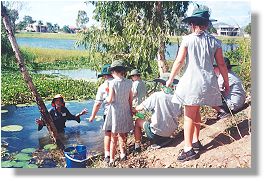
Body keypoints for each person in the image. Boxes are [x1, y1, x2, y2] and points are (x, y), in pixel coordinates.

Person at [166, 5, 229, 162]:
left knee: (189, 115)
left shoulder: (187, 39)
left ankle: (189, 150)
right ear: (207, 25)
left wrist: (170, 78)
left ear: (192, 24)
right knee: (196, 110)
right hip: (208, 83)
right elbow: (221, 65)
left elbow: (180, 61)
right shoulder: (215, 42)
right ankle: (195, 141)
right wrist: (226, 83)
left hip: (192, 82)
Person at [132, 73, 182, 153]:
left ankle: (137, 147)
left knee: (138, 121)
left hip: (156, 134)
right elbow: (179, 114)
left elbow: (140, 107)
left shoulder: (157, 95)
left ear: (161, 84)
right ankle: (164, 139)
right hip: (170, 132)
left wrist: (133, 110)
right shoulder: (176, 98)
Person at [103, 60, 134, 166]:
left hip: (115, 112)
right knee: (123, 134)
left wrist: (106, 96)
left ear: (114, 71)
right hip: (125, 110)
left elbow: (110, 99)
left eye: (112, 72)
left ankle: (111, 159)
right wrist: (130, 110)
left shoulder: (112, 83)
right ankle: (123, 154)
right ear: (123, 71)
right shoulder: (130, 82)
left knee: (113, 137)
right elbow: (130, 99)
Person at [88, 64, 113, 163]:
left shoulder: (102, 87)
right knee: (120, 133)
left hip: (108, 113)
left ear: (105, 76)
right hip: (121, 111)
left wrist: (92, 116)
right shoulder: (122, 83)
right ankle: (123, 153)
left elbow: (98, 104)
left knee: (107, 133)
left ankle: (107, 155)